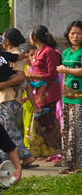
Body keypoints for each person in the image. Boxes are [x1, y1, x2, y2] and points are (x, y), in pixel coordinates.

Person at [0, 35, 35, 167]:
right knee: (7, 126)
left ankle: (4, 159)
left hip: (10, 95)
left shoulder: (7, 55)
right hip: (3, 95)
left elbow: (20, 77)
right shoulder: (8, 56)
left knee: (1, 127)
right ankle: (25, 156)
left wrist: (0, 83)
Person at [26, 25, 63, 159]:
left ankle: (58, 151)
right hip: (40, 91)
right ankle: (42, 152)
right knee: (40, 123)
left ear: (34, 37)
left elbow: (52, 75)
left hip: (49, 92)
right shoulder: (37, 52)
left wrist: (35, 77)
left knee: (48, 123)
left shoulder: (49, 52)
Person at [58, 21, 82, 173]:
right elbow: (64, 74)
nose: (75, 36)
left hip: (79, 96)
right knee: (67, 129)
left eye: (78, 33)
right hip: (67, 96)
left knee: (78, 129)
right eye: (72, 33)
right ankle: (69, 163)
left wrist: (65, 69)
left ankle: (80, 165)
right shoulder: (66, 52)